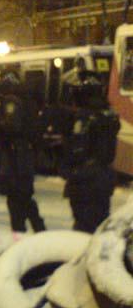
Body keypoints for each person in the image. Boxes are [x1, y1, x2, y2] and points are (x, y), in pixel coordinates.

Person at [61, 71, 120, 233]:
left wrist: (66, 168)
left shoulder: (84, 119)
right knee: (99, 224)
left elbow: (77, 150)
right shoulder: (108, 115)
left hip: (85, 181)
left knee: (83, 227)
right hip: (103, 179)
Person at [0, 72, 46, 232]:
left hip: (15, 155)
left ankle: (23, 229)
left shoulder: (11, 101)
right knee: (23, 195)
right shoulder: (26, 100)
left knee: (16, 196)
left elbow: (11, 126)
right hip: (24, 154)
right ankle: (36, 227)